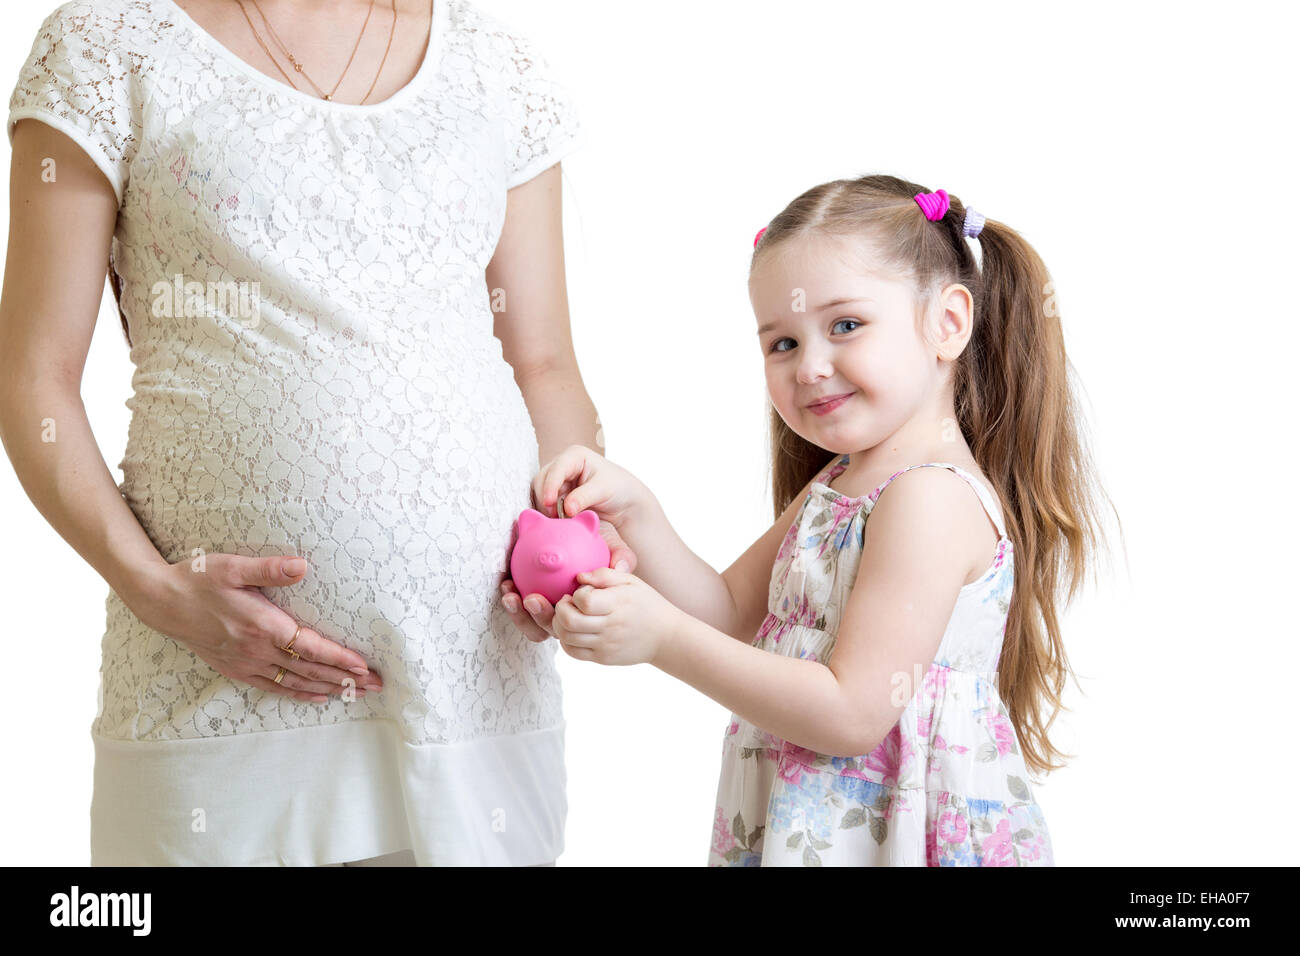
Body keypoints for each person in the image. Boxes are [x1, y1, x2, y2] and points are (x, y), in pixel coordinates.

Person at [0, 0, 630, 866]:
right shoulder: (111, 41)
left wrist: (580, 539)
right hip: (211, 681)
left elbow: (546, 363)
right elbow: (34, 380)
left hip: (473, 677)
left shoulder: (494, 64)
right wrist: (158, 595)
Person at [505, 174, 1117, 866]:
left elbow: (854, 713)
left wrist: (660, 640)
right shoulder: (839, 483)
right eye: (782, 343)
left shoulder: (929, 500)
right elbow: (732, 608)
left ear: (947, 323)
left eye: (845, 326)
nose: (810, 366)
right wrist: (637, 513)